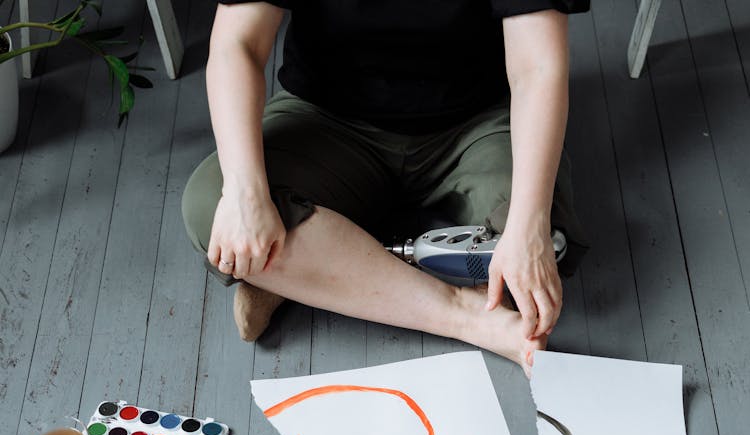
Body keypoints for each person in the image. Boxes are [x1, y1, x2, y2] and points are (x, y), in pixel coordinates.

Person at [182, 1, 590, 374]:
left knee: (544, 241)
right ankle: (464, 313)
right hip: (328, 118)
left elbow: (538, 68)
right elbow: (238, 44)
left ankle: (307, 275)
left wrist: (526, 228)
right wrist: (244, 191)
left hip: (475, 121)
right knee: (210, 203)